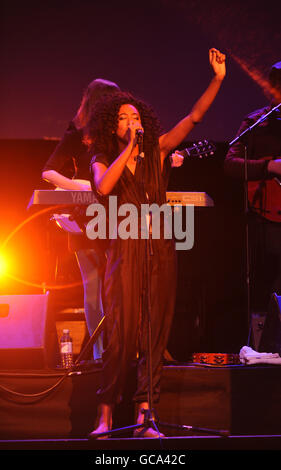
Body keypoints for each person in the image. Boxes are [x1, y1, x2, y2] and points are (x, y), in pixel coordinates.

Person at [87, 48, 226, 438]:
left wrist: (217, 79)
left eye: (135, 116)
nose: (130, 121)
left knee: (154, 332)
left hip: (160, 246)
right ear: (111, 126)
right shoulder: (104, 154)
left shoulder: (159, 150)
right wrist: (129, 148)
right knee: (121, 333)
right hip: (124, 248)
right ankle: (105, 414)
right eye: (122, 118)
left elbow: (194, 117)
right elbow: (102, 187)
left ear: (144, 120)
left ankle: (145, 416)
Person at [42, 78, 120, 361]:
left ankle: (120, 348)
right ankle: (99, 353)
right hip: (87, 215)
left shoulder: (117, 137)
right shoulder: (77, 134)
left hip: (117, 215)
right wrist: (85, 185)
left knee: (118, 284)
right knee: (92, 286)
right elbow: (49, 172)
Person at [224, 61, 281, 317]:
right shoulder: (257, 122)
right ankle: (261, 347)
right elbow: (231, 164)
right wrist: (269, 167)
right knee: (264, 285)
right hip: (268, 217)